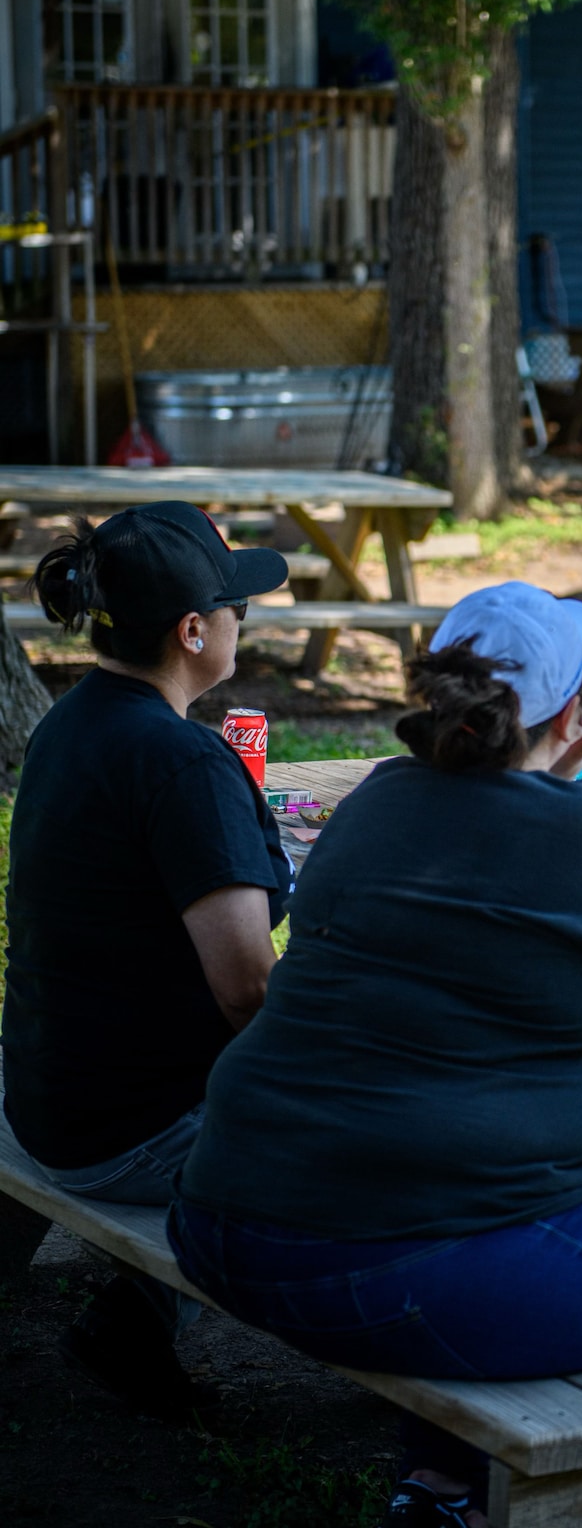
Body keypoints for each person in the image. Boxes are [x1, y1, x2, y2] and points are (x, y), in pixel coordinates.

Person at [167, 581, 582, 1528]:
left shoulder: (376, 800)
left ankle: (441, 1485)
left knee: (544, 1236)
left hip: (221, 1215)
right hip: (396, 1256)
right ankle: (509, 1490)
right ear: (574, 713)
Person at [1, 501, 293, 1418]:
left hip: (52, 1088)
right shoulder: (182, 762)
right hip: (129, 1133)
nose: (247, 619)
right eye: (236, 605)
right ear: (194, 629)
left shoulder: (70, 723)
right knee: (398, 1117)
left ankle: (133, 1317)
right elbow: (249, 992)